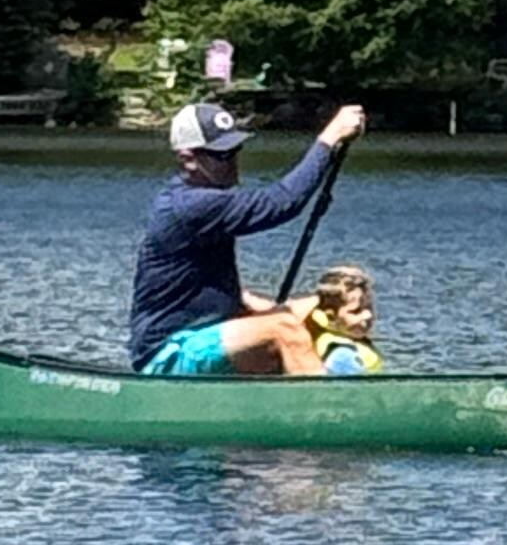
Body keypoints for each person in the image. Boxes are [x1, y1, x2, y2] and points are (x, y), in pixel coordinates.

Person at [129, 96, 368, 375]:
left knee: (305, 312)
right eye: (220, 154)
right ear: (188, 158)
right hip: (168, 352)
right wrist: (331, 137)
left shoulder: (207, 204)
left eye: (234, 150)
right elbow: (283, 203)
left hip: (205, 335)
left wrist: (248, 303)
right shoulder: (192, 206)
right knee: (283, 328)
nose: (232, 161)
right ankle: (331, 410)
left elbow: (197, 285)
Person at [298, 265, 386, 375]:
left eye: (369, 309)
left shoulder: (351, 343)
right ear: (330, 317)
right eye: (356, 312)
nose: (367, 315)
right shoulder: (341, 354)